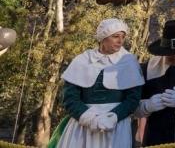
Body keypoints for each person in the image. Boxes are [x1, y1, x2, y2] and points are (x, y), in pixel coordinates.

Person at [56, 18, 144, 148]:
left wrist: (113, 117)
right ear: (103, 37)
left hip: (116, 127)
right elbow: (70, 98)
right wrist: (89, 118)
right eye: (115, 36)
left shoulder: (129, 62)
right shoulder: (82, 60)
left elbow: (133, 99)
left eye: (123, 37)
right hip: (82, 127)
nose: (120, 41)